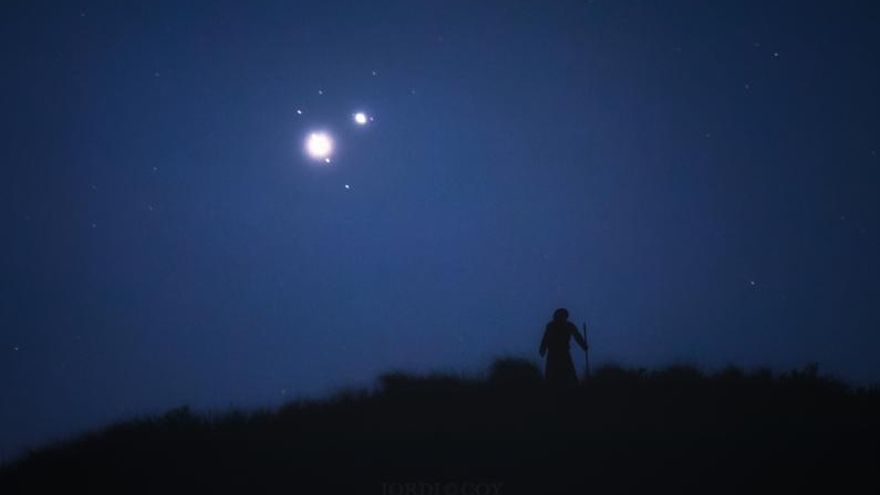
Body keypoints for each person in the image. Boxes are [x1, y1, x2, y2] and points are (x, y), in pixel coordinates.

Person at [539, 308, 588, 385]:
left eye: (562, 315)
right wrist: (542, 349)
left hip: (563, 352)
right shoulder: (551, 326)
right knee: (552, 374)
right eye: (559, 315)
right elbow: (545, 338)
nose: (560, 317)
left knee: (568, 372)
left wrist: (583, 345)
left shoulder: (568, 325)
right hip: (553, 353)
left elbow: (577, 336)